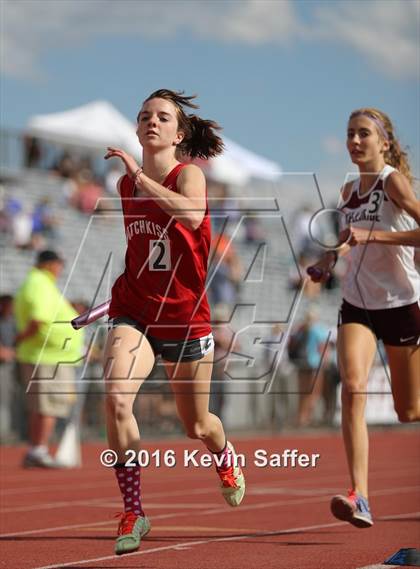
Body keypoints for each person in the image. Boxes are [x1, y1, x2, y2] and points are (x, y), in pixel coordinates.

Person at [102, 89, 245, 555]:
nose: (151, 122)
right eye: (144, 116)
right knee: (117, 397)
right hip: (136, 309)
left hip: (185, 318)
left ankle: (223, 454)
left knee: (196, 425)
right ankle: (134, 511)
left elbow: (192, 213)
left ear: (178, 133)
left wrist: (142, 178)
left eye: (162, 117)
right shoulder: (126, 185)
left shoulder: (189, 176)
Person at [308, 108, 420, 528]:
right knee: (352, 387)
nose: (355, 141)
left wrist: (376, 236)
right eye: (350, 134)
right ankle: (361, 496)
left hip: (401, 303)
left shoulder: (394, 182)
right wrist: (326, 262)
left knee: (409, 411)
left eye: (364, 134)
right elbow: (346, 239)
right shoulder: (347, 188)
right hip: (358, 303)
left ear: (384, 142)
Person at [14, 250, 83, 467]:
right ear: (49, 264)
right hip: (48, 357)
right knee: (48, 407)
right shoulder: (40, 284)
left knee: (43, 406)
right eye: (59, 264)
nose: (60, 269)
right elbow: (38, 320)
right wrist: (19, 339)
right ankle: (39, 449)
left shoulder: (39, 283)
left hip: (48, 355)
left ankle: (37, 449)